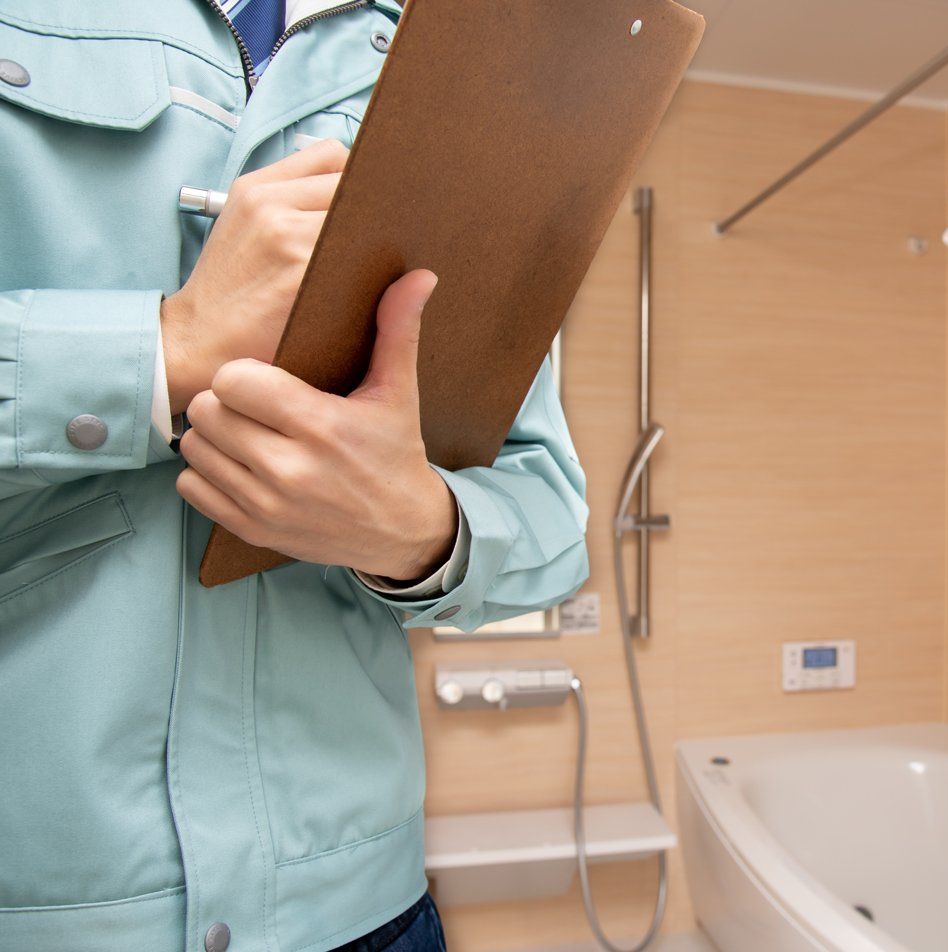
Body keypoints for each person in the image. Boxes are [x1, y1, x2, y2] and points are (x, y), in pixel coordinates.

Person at [0, 1, 589, 950]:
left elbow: (551, 520)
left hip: (370, 909)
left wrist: (415, 528)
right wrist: (162, 351)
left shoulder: (461, 64)